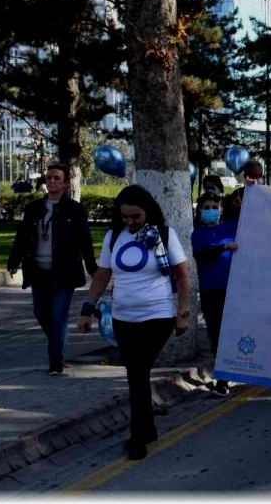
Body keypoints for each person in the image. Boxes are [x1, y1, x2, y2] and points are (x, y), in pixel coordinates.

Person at [78, 185, 192, 461]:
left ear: (148, 212)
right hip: (123, 318)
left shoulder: (164, 235)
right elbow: (103, 275)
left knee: (137, 373)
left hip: (158, 316)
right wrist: (87, 308)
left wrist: (182, 313)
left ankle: (137, 437)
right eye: (125, 217)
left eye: (135, 217)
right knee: (136, 374)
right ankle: (148, 427)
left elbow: (182, 276)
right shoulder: (113, 236)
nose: (129, 222)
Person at [7, 163, 98, 376]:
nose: (52, 181)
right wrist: (14, 260)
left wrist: (92, 267)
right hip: (39, 270)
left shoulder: (74, 210)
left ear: (65, 183)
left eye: (57, 178)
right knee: (40, 312)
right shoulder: (34, 208)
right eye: (49, 178)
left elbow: (84, 241)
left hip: (64, 272)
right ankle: (58, 342)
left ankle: (56, 360)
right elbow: (22, 237)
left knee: (58, 314)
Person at [191, 190, 236, 397]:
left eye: (214, 208)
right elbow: (201, 254)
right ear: (199, 210)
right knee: (217, 335)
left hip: (234, 290)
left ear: (221, 210)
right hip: (211, 292)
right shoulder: (197, 234)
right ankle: (222, 379)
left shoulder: (231, 227)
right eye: (206, 208)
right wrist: (224, 246)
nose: (210, 211)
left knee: (233, 334)